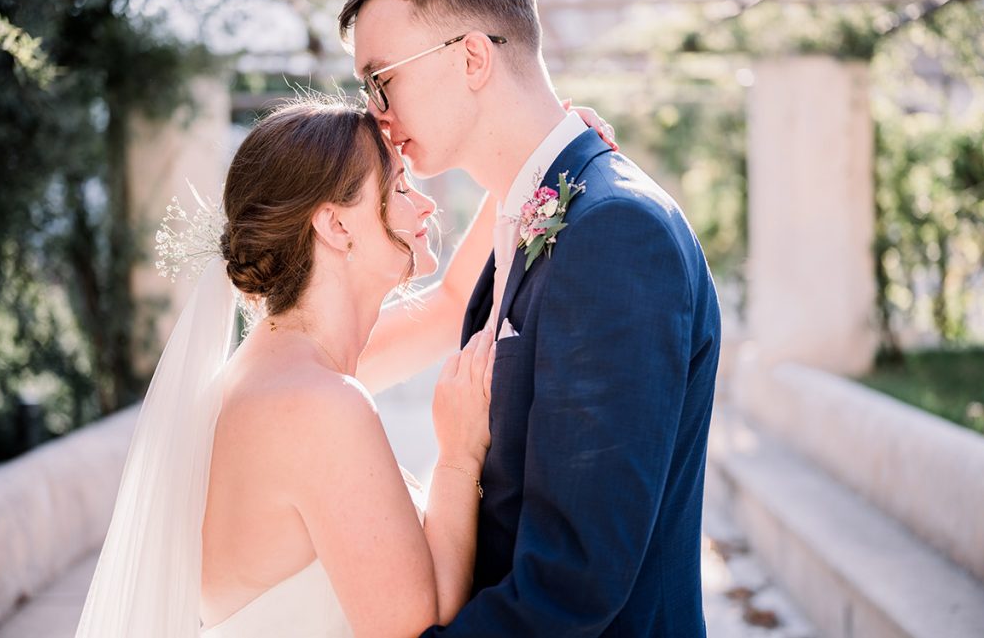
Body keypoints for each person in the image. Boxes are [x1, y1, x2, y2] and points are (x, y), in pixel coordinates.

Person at [75, 94, 618, 638]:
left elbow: (452, 303)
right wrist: (457, 456)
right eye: (400, 188)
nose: (425, 206)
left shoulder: (280, 365)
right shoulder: (316, 403)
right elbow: (420, 625)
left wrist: (537, 162)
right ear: (336, 226)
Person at [340, 0, 722, 636]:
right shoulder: (538, 212)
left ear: (473, 59)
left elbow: (574, 577)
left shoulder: (615, 231)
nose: (377, 113)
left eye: (383, 78)